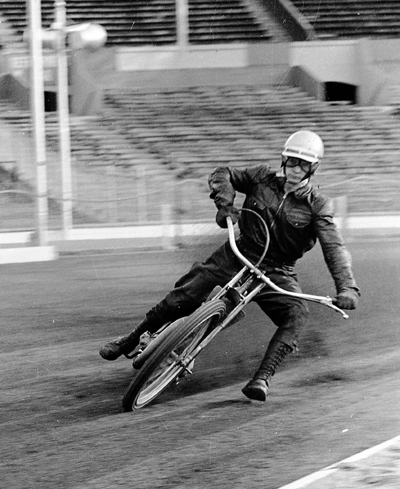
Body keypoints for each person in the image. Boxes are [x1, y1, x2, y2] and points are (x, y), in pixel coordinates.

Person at [99, 130, 360, 402]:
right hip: (239, 251)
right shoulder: (261, 177)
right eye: (292, 161)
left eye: (304, 164)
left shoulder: (318, 205)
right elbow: (222, 173)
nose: (296, 169)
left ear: (313, 167)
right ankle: (131, 338)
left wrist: (347, 287)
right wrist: (225, 205)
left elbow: (335, 247)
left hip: (277, 271)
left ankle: (262, 378)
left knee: (296, 313)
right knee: (187, 294)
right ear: (284, 160)